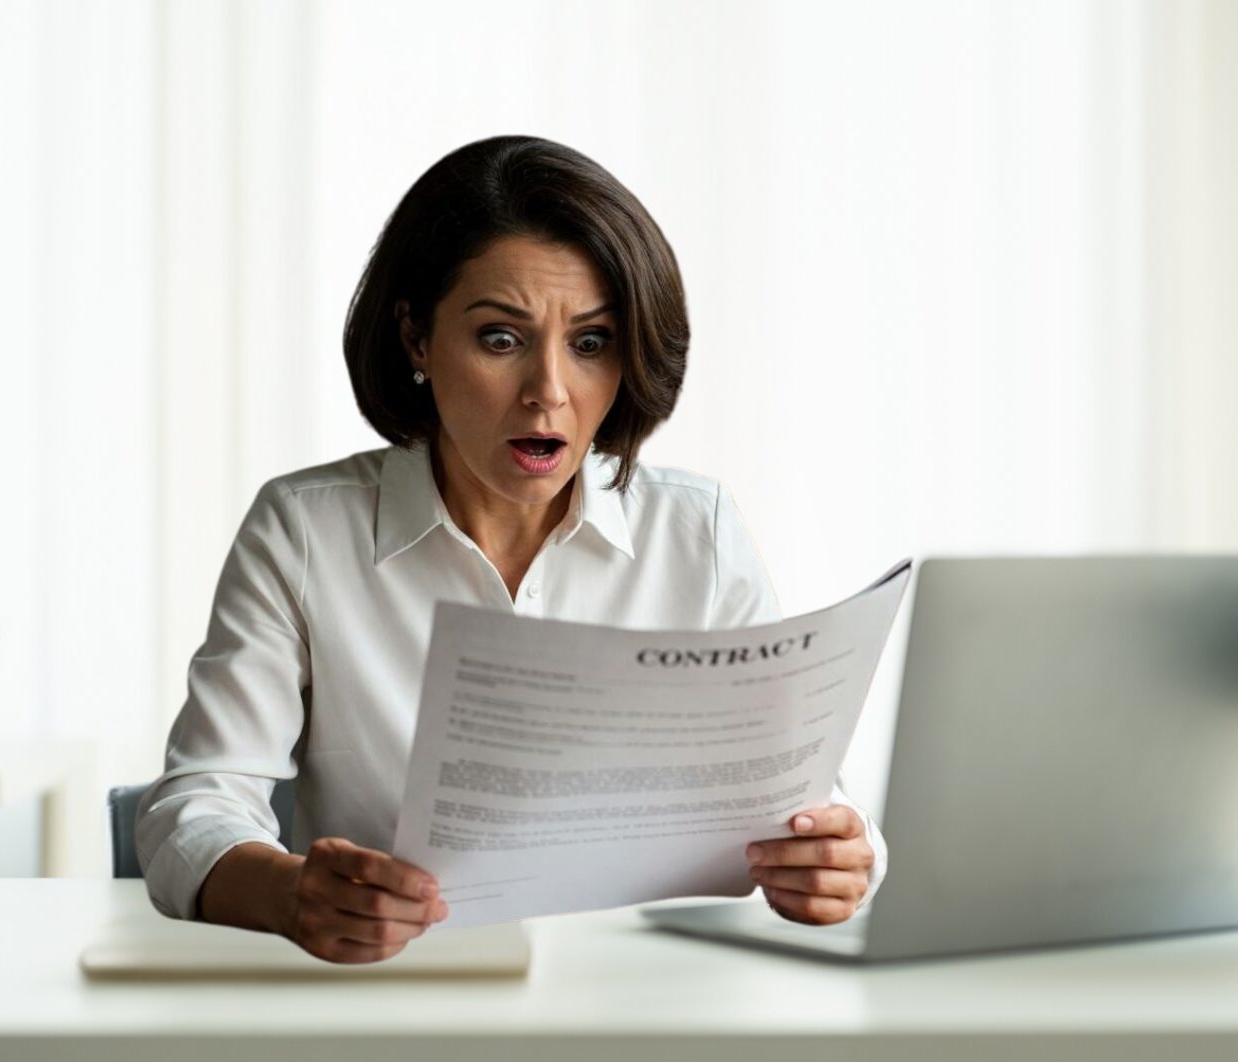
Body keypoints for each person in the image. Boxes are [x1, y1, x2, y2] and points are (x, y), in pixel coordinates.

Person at [136, 135, 888, 964]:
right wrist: (289, 894)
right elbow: (194, 805)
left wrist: (842, 859)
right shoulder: (305, 530)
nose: (550, 392)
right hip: (402, 1006)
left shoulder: (696, 532)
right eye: (501, 338)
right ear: (417, 339)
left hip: (652, 1004)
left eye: (592, 343)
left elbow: (808, 801)